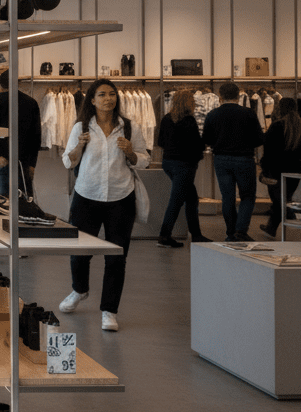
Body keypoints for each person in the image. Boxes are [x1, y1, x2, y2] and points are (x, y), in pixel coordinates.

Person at [59, 79, 150, 332]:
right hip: (86, 197)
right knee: (79, 252)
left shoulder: (129, 128)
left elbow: (143, 160)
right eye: (102, 94)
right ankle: (79, 290)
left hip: (120, 199)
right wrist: (79, 145)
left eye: (112, 94)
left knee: (116, 257)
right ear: (92, 99)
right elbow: (68, 161)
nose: (108, 99)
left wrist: (131, 152)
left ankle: (109, 311)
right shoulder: (81, 127)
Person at [202, 82, 264, 242]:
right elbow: (258, 139)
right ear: (238, 95)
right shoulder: (248, 113)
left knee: (227, 197)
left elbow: (207, 139)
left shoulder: (213, 114)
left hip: (221, 159)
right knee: (248, 196)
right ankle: (240, 231)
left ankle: (231, 232)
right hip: (244, 159)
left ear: (220, 97)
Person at [156, 89, 210, 247]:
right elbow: (196, 145)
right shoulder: (188, 120)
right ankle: (164, 236)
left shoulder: (167, 118)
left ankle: (197, 234)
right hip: (184, 165)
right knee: (176, 201)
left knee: (191, 198)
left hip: (168, 163)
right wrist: (205, 141)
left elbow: (160, 142)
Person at [0, 69, 42, 199]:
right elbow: (36, 137)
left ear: (0, 84)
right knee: (23, 204)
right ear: (18, 83)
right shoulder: (31, 103)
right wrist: (32, 164)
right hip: (23, 161)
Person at [259, 97, 301, 237]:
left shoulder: (277, 126)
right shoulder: (298, 126)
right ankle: (272, 226)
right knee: (284, 198)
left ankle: (274, 227)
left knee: (278, 200)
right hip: (295, 170)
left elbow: (269, 150)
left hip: (276, 170)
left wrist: (263, 169)